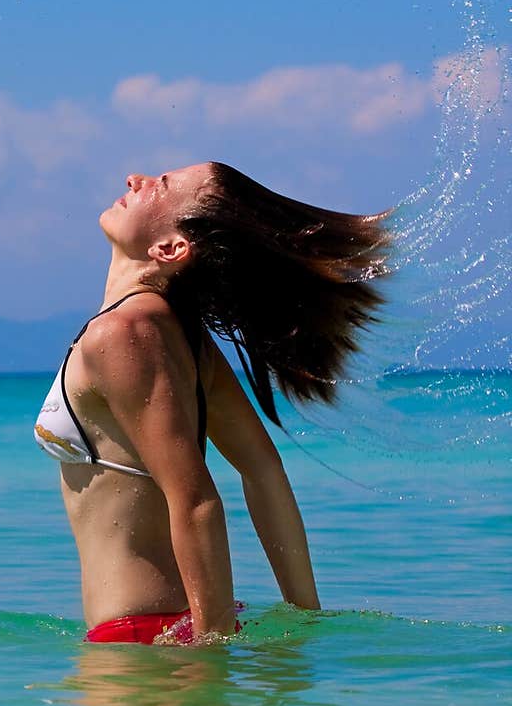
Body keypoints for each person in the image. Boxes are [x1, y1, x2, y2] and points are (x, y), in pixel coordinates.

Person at [34, 162, 394, 646]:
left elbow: (197, 501)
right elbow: (263, 469)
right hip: (171, 631)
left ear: (171, 248)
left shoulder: (126, 334)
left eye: (159, 186)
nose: (135, 178)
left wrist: (208, 654)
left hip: (144, 643)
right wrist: (306, 615)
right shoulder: (178, 336)